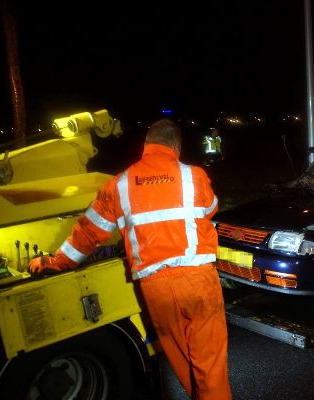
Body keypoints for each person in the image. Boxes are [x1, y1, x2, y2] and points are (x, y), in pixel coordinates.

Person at [29, 119, 232, 400]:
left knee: (181, 357)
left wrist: (58, 262)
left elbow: (89, 232)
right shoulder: (194, 175)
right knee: (209, 364)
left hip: (154, 286)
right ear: (177, 146)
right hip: (197, 279)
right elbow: (210, 207)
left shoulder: (119, 184)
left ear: (146, 146)